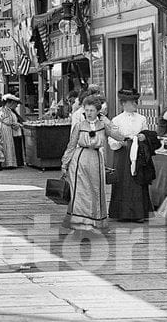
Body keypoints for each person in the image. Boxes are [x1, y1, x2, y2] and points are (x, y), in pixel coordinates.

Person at [61, 94, 124, 232]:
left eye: (92, 110)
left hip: (96, 160)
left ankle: (94, 222)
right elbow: (71, 145)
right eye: (87, 110)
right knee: (81, 192)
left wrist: (106, 121)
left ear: (98, 111)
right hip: (80, 160)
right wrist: (65, 164)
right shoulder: (79, 125)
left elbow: (119, 136)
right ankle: (80, 224)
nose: (89, 113)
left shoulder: (103, 125)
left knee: (95, 190)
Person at [107, 89, 158, 222]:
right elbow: (111, 139)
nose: (135, 104)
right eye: (132, 102)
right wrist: (121, 142)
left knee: (138, 180)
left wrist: (143, 137)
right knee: (122, 181)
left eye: (136, 101)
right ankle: (121, 213)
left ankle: (139, 213)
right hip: (122, 155)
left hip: (138, 154)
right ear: (123, 103)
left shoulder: (142, 118)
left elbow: (147, 134)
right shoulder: (116, 120)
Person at [0, 94, 25, 169]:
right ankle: (7, 163)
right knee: (6, 146)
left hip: (4, 129)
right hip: (5, 129)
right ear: (10, 103)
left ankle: (6, 163)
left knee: (6, 146)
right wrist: (16, 124)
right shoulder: (5, 110)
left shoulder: (3, 110)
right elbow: (7, 121)